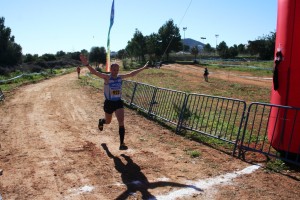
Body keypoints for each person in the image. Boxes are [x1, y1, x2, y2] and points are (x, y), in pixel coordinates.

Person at [80, 54, 149, 150]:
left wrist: (143, 68)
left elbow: (132, 73)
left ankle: (122, 144)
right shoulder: (107, 77)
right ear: (111, 70)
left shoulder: (120, 77)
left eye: (117, 70)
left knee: (121, 121)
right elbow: (95, 72)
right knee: (108, 121)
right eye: (114, 70)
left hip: (118, 102)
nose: (115, 72)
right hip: (109, 103)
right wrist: (87, 64)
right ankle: (101, 121)